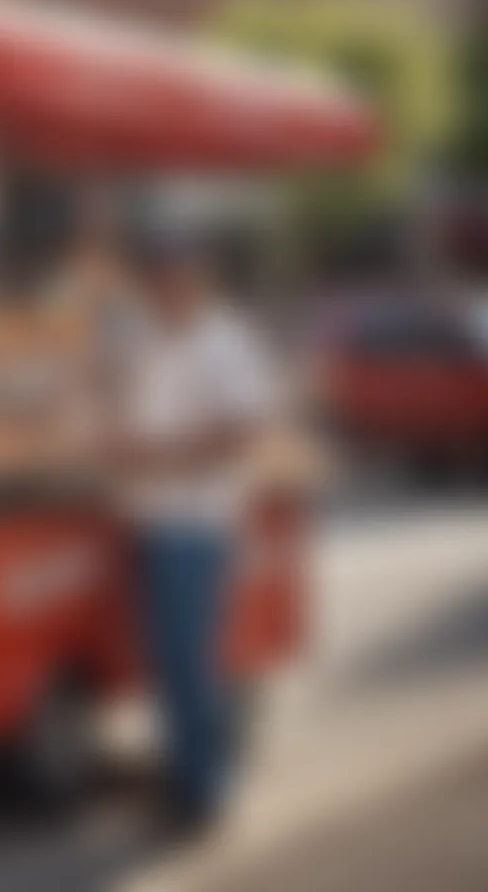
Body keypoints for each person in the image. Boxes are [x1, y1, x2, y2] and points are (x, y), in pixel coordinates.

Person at [109, 221, 279, 832]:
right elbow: (135, 410)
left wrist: (163, 455)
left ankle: (203, 794)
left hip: (198, 523)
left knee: (190, 662)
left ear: (196, 278)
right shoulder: (153, 340)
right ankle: (181, 781)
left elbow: (243, 428)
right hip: (153, 517)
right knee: (166, 663)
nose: (164, 288)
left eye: (173, 276)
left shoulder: (224, 340)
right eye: (155, 279)